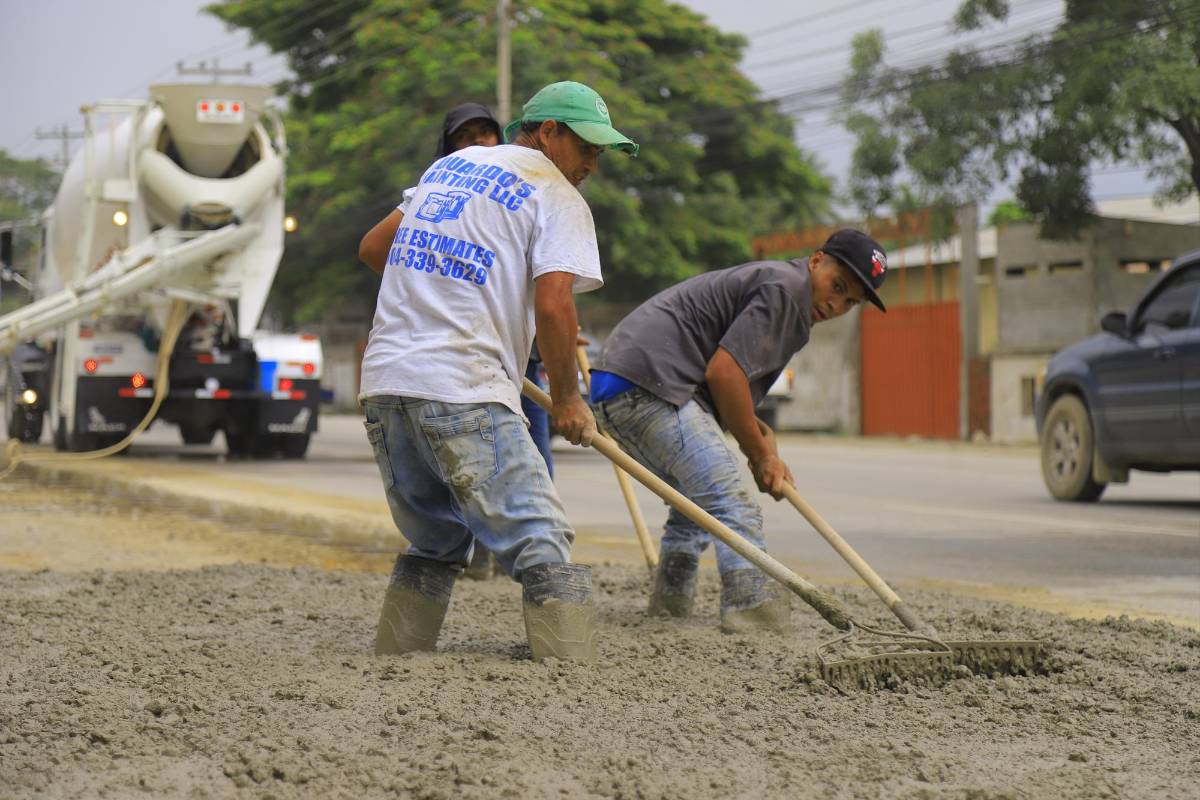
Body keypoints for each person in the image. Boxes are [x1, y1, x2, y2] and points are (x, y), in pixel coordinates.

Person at [356, 81, 639, 662]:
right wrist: (567, 400)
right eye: (587, 147)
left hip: (387, 380)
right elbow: (555, 305)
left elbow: (372, 248)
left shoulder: (454, 167)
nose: (591, 163)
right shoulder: (555, 194)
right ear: (550, 132)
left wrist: (440, 291)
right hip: (463, 382)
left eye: (601, 154)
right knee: (542, 538)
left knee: (435, 537)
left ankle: (398, 654)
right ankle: (572, 668)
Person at [589, 229, 888, 633]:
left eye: (850, 301)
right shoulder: (787, 289)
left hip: (628, 382)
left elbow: (729, 387)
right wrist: (761, 456)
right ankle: (754, 613)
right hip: (649, 385)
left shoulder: (786, 289)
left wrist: (760, 434)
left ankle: (671, 604)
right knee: (733, 504)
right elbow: (725, 373)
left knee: (695, 506)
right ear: (816, 261)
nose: (836, 304)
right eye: (837, 287)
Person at [360, 101, 550, 581]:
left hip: (503, 358)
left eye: (486, 133)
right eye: (466, 137)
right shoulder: (443, 184)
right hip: (463, 362)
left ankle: (493, 551)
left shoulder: (517, 190)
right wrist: (439, 288)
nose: (479, 143)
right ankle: (560, 643)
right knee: (526, 519)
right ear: (448, 148)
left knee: (527, 465)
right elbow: (375, 248)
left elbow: (547, 288)